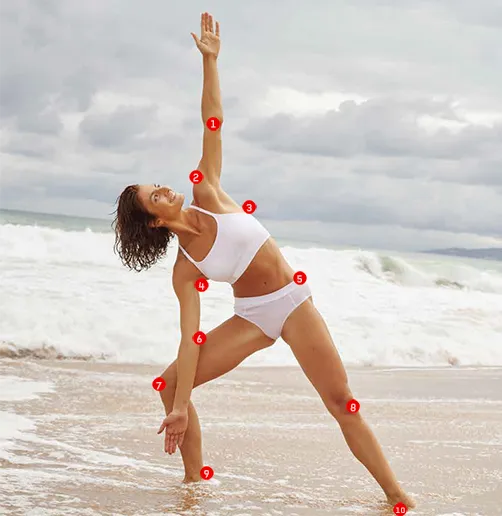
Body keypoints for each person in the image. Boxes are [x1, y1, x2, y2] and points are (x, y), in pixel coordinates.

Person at [112, 12, 415, 509]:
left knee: (341, 403)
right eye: (155, 197)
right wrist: (183, 404)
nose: (165, 189)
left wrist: (210, 62)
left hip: (292, 303)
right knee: (169, 385)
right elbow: (191, 338)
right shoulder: (185, 268)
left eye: (158, 185)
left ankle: (398, 496)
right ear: (153, 222)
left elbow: (213, 121)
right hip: (251, 318)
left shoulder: (205, 190)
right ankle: (194, 485)